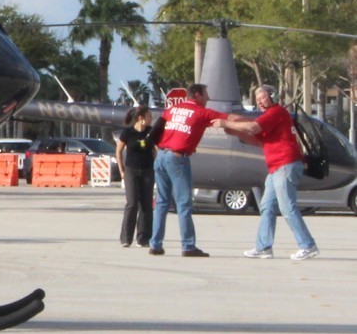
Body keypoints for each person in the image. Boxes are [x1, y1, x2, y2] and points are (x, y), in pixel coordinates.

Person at [221, 84, 319, 261]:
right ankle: (264, 247)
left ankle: (308, 245)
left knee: (287, 207)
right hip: (275, 168)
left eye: (263, 98)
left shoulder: (277, 112)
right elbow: (256, 139)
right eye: (257, 99)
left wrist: (227, 122)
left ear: (272, 97)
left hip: (285, 164)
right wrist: (234, 130)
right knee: (267, 207)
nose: (259, 102)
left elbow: (252, 128)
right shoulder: (268, 117)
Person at [150, 83, 226, 258]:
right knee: (184, 203)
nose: (208, 99)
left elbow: (160, 129)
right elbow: (227, 118)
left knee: (162, 202)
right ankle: (188, 245)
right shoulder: (201, 112)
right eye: (206, 95)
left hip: (161, 156)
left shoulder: (171, 110)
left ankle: (155, 243)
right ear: (198, 95)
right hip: (177, 158)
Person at [115, 106, 157, 247]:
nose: (151, 118)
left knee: (146, 205)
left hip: (147, 171)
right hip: (131, 170)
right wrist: (122, 170)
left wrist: (155, 164)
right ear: (141, 118)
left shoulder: (151, 132)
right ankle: (126, 238)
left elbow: (156, 150)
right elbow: (119, 151)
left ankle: (143, 238)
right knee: (132, 203)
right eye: (149, 116)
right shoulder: (128, 133)